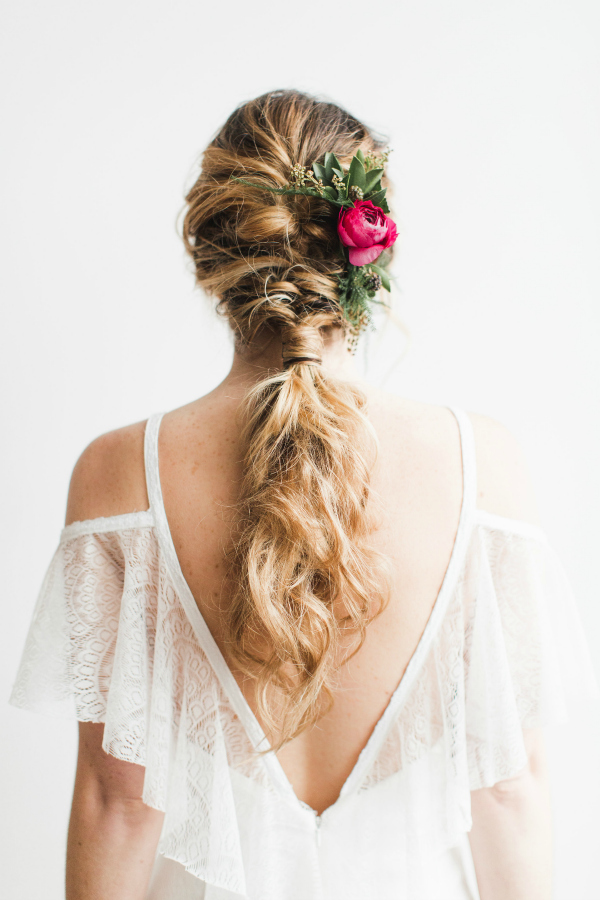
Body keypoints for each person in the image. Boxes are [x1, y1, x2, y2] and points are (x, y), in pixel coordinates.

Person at [9, 89, 598, 900]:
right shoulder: (481, 462)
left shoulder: (118, 472)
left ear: (212, 253)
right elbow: (508, 788)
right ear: (373, 252)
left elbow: (118, 802)